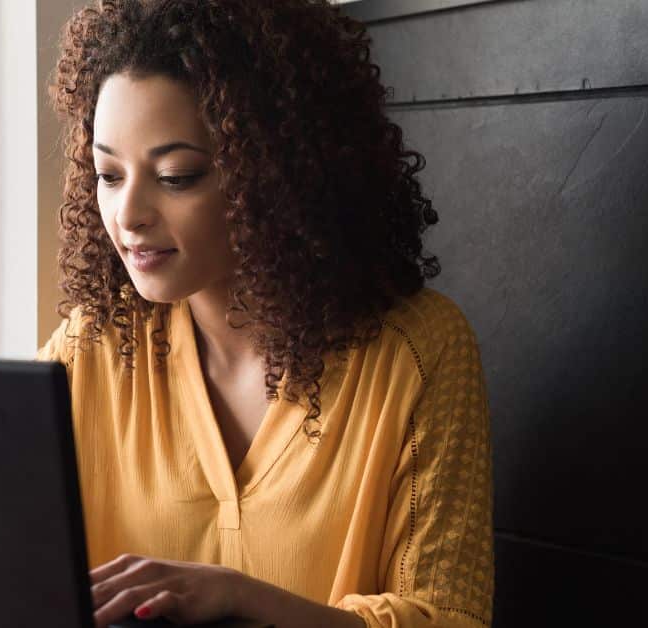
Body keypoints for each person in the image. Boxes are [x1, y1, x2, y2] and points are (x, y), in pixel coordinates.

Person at [38, 1, 492, 627]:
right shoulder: (92, 348)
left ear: (274, 176)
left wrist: (244, 597)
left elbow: (449, 618)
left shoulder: (415, 352)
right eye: (109, 174)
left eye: (176, 175)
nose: (128, 213)